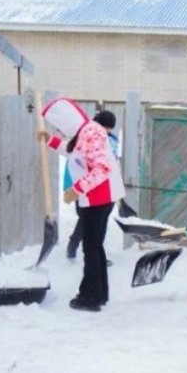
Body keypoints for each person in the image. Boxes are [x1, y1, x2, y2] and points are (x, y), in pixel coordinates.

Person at [39, 98, 125, 312]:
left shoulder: (91, 133)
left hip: (98, 199)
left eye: (59, 127)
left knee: (91, 248)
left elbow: (101, 169)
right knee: (95, 247)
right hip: (98, 199)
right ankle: (99, 293)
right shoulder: (85, 132)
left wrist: (77, 189)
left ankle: (90, 297)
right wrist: (50, 140)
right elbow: (74, 153)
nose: (59, 130)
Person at [65, 110, 120, 264]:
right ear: (106, 126)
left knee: (91, 223)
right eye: (109, 128)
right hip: (89, 189)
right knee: (87, 222)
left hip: (101, 189)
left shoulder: (102, 138)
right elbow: (98, 167)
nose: (109, 132)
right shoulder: (94, 137)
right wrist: (76, 189)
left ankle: (83, 251)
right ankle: (78, 248)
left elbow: (110, 163)